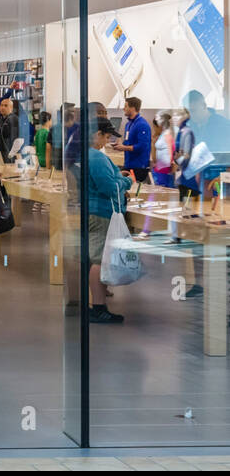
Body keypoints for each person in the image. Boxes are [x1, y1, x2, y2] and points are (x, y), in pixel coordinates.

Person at [85, 115, 130, 323]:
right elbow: (108, 187)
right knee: (98, 260)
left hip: (94, 211)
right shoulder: (96, 157)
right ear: (97, 134)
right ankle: (98, 306)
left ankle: (99, 304)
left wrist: (117, 179)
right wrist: (125, 182)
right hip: (101, 213)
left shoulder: (88, 155)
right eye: (106, 136)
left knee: (97, 259)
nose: (107, 141)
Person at [112, 96, 151, 184]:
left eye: (126, 106)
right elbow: (127, 143)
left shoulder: (142, 125)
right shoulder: (128, 124)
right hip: (128, 165)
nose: (123, 108)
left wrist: (123, 148)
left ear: (133, 108)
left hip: (138, 167)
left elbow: (142, 146)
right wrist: (119, 144)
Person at [151, 111, 175, 188]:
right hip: (167, 173)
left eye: (154, 127)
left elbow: (154, 159)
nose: (153, 129)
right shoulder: (169, 137)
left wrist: (153, 144)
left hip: (161, 173)